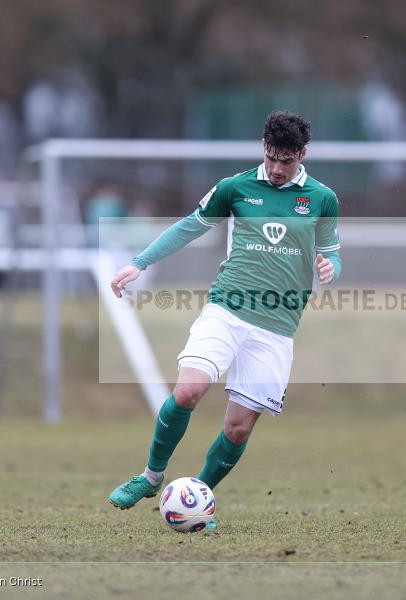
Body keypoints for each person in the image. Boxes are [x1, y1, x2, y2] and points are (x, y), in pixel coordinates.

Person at [107, 111, 342, 531]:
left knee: (236, 429)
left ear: (303, 155)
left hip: (277, 327)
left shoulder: (323, 199)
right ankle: (150, 478)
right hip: (228, 309)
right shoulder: (235, 188)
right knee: (188, 390)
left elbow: (332, 250)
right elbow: (188, 227)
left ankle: (198, 497)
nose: (275, 167)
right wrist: (139, 263)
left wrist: (330, 267)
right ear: (263, 146)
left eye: (286, 160)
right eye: (270, 156)